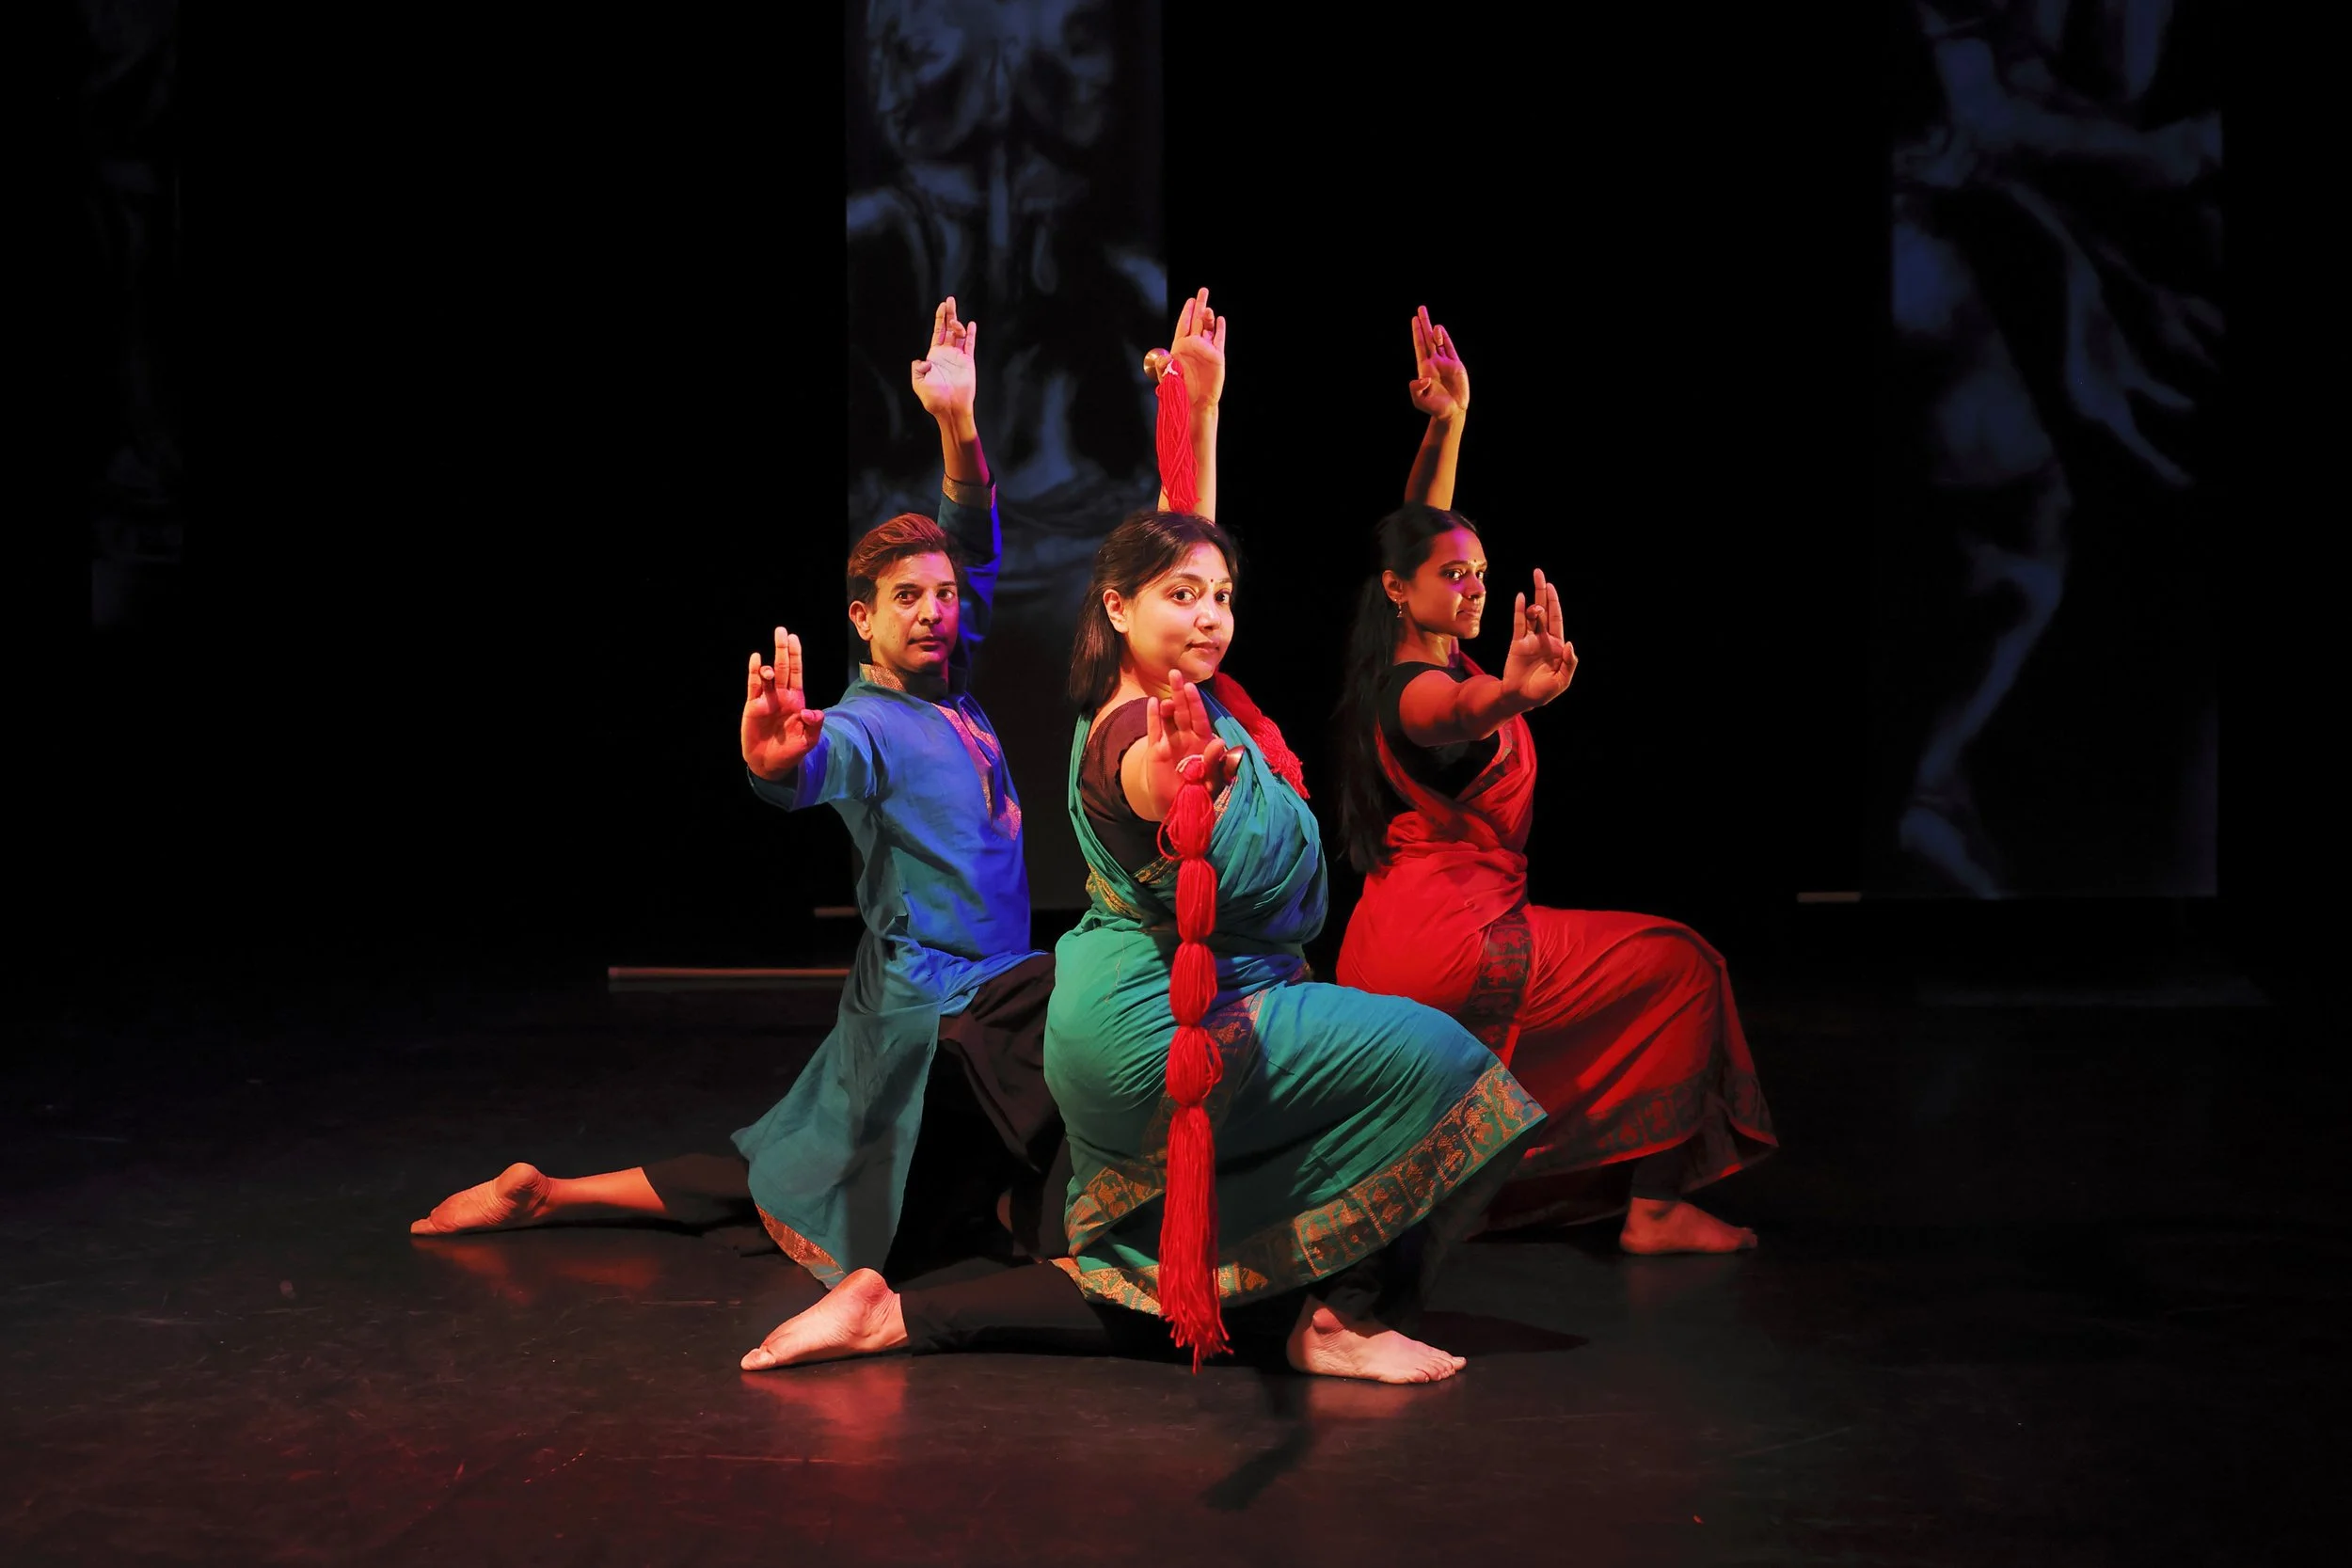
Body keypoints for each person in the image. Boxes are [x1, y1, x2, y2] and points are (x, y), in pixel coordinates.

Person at [412, 298, 1066, 1291]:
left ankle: (552, 1191)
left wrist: (957, 422)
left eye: (943, 597)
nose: (936, 610)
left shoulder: (951, 687)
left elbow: (970, 542)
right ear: (861, 618)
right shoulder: (870, 723)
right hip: (942, 1008)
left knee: (792, 1168)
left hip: (963, 998)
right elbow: (819, 764)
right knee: (1071, 1007)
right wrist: (774, 762)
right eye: (908, 598)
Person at [1331, 308, 1777, 1251]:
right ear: (1400, 589)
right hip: (1460, 945)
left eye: (1480, 572)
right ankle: (1653, 1206)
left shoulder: (1406, 650)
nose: (1474, 586)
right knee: (1684, 965)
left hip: (1381, 948)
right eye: (1456, 576)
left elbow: (1420, 533)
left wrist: (1449, 423)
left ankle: (1485, 1186)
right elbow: (1452, 714)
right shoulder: (1423, 691)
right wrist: (1512, 696)